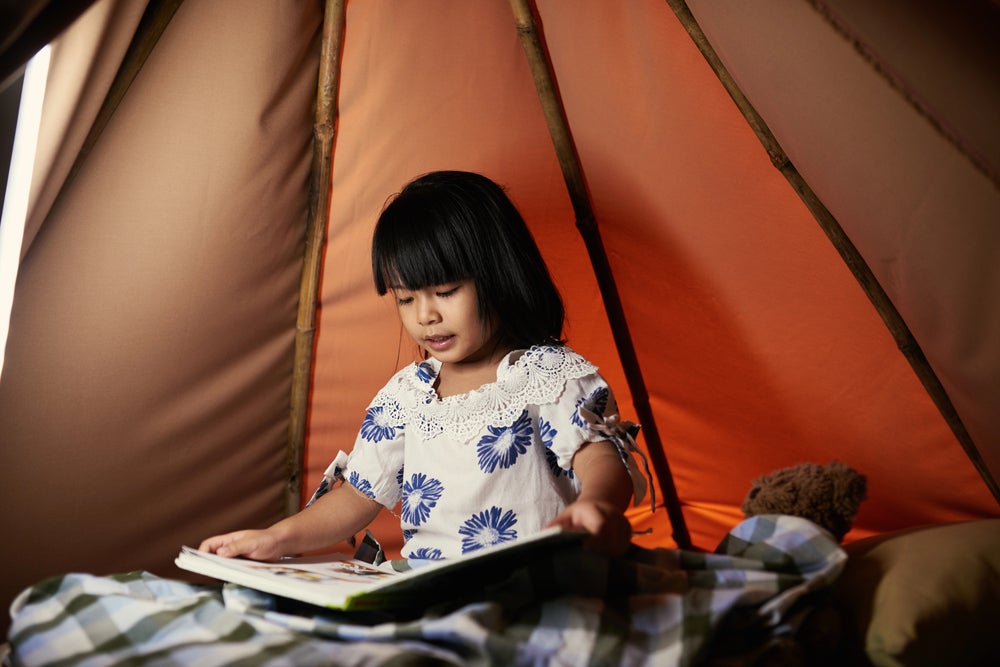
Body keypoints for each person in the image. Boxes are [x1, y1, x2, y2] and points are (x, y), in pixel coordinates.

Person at [200, 170, 649, 562]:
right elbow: (358, 495)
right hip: (433, 590)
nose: (424, 316)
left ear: (499, 275)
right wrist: (276, 537)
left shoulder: (545, 375)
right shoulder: (405, 397)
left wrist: (597, 505)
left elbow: (597, 455)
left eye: (446, 291)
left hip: (532, 583)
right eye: (405, 298)